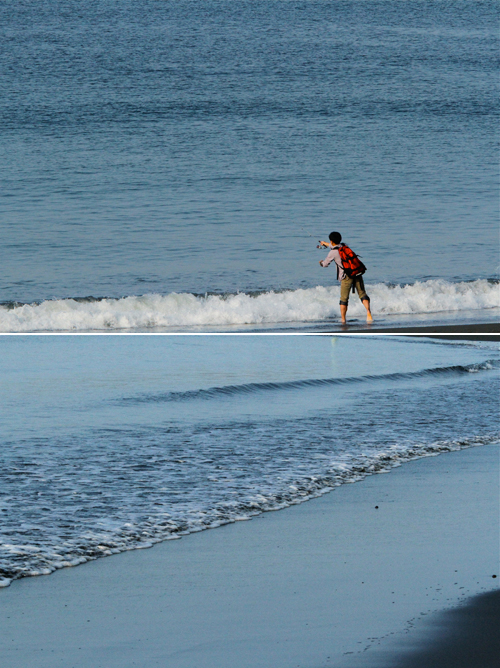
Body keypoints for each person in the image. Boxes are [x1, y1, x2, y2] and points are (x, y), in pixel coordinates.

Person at [319, 231, 373, 324]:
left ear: (331, 241)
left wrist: (320, 263)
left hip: (346, 277)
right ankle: (368, 313)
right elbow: (334, 246)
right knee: (362, 294)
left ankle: (343, 319)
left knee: (344, 299)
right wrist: (325, 243)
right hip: (356, 272)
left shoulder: (332, 253)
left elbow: (325, 264)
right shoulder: (345, 246)